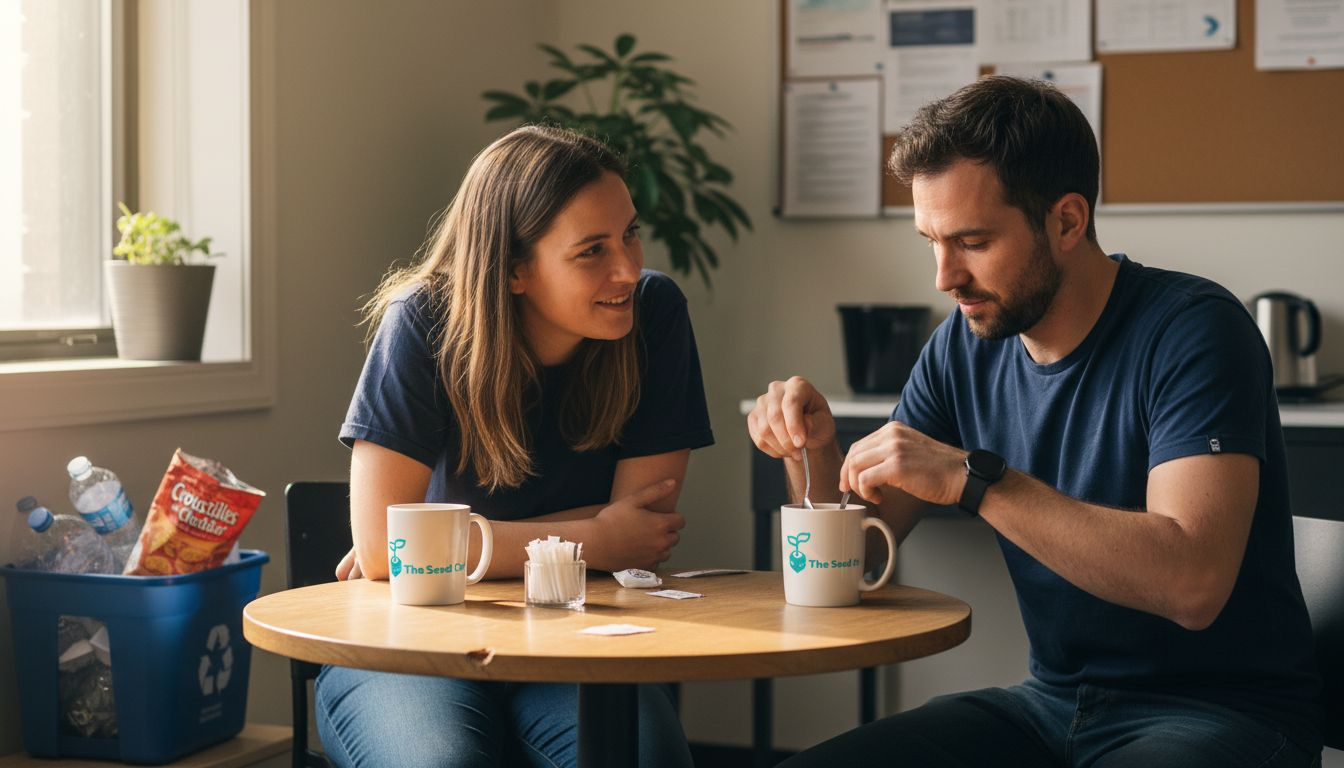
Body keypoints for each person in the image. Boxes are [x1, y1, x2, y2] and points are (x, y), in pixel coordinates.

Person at [749, 76, 1322, 768]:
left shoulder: (1195, 331)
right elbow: (859, 561)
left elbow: (1192, 585)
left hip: (1225, 715)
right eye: (930, 240)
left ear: (1067, 221)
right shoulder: (964, 344)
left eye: (972, 242)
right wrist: (810, 454)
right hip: (1050, 705)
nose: (944, 277)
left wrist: (973, 480)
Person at [317, 125, 714, 768]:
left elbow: (641, 532)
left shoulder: (653, 314)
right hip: (414, 645)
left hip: (577, 638)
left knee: (646, 760)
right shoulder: (422, 321)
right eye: (592, 251)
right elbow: (386, 555)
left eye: (631, 234)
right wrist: (593, 538)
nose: (628, 268)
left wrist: (455, 544)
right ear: (513, 270)